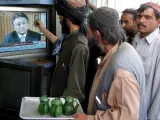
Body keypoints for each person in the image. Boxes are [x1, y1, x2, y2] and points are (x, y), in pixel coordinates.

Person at [74, 7, 146, 120]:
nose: (86, 36)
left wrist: (88, 118)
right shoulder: (123, 48)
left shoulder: (121, 70)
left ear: (97, 34)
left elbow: (128, 117)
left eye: (88, 31)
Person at [36, 0, 89, 103]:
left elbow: (74, 92)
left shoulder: (79, 45)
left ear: (68, 17)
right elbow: (59, 44)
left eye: (60, 16)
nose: (59, 19)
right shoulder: (70, 37)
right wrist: (42, 29)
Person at [132, 2, 160, 119]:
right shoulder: (135, 40)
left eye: (147, 17)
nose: (141, 21)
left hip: (145, 113)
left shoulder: (158, 45)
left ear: (158, 21)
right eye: (139, 16)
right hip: (130, 109)